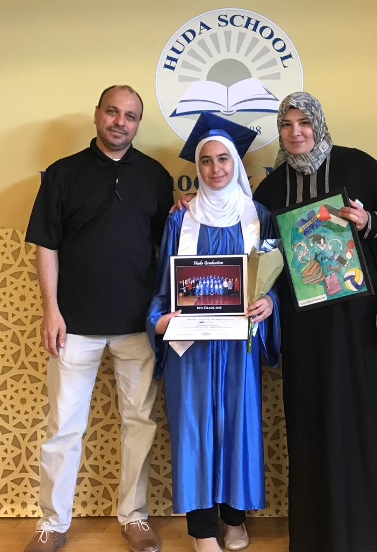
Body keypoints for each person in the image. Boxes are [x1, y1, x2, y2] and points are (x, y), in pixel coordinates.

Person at [253, 91, 377, 552]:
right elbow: (259, 250)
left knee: (368, 419)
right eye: (286, 125)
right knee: (312, 423)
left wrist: (368, 221)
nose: (296, 132)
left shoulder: (355, 165)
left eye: (304, 122)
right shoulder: (271, 189)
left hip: (359, 323)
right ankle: (319, 536)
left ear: (319, 124)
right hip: (305, 331)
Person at [24, 85, 173, 552]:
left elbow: (167, 248)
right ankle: (52, 524)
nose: (120, 122)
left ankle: (134, 517)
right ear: (97, 115)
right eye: (112, 112)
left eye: (130, 116)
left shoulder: (155, 176)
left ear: (137, 124)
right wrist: (51, 310)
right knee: (63, 427)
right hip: (73, 326)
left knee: (139, 422)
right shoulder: (62, 174)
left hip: (138, 325)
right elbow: (46, 246)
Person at [147, 115, 281, 552]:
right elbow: (163, 286)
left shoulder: (259, 217)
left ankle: (235, 521)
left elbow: (273, 280)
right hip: (191, 348)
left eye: (224, 159)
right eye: (206, 160)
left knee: (237, 427)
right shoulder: (180, 219)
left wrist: (270, 303)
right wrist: (159, 319)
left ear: (235, 164)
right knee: (194, 430)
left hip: (239, 346)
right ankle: (203, 530)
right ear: (197, 167)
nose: (215, 168)